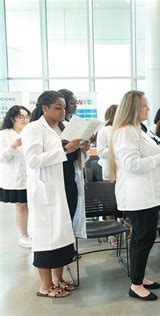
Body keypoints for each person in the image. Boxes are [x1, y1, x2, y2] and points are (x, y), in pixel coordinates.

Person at [109, 90, 160, 301]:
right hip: (137, 195)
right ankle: (135, 285)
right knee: (142, 239)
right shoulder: (124, 132)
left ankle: (139, 276)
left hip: (148, 193)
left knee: (145, 237)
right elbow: (131, 164)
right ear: (133, 108)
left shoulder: (140, 130)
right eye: (145, 106)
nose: (148, 109)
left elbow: (151, 154)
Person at [23, 90, 80, 298]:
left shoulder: (60, 128)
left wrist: (77, 146)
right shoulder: (33, 129)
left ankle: (59, 278)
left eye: (64, 107)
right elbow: (33, 160)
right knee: (46, 236)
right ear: (44, 108)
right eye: (58, 107)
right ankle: (45, 286)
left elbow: (66, 157)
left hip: (63, 186)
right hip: (45, 190)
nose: (63, 111)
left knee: (63, 235)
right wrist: (64, 150)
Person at [57, 89, 88, 241]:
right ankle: (67, 246)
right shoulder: (56, 127)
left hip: (73, 172)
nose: (74, 106)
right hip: (62, 175)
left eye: (76, 103)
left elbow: (76, 156)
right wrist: (68, 148)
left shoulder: (70, 124)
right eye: (71, 103)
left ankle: (70, 245)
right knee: (65, 214)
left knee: (73, 211)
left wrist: (83, 147)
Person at [0, 105, 31, 248]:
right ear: (12, 118)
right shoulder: (4, 134)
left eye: (26, 116)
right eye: (21, 116)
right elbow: (2, 157)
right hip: (15, 177)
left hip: (32, 176)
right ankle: (23, 235)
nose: (25, 119)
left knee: (33, 205)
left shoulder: (30, 132)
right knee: (21, 206)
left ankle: (33, 233)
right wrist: (13, 146)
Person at [96, 104, 118, 181]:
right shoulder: (104, 130)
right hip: (110, 172)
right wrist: (118, 148)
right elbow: (100, 152)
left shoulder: (124, 129)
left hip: (124, 172)